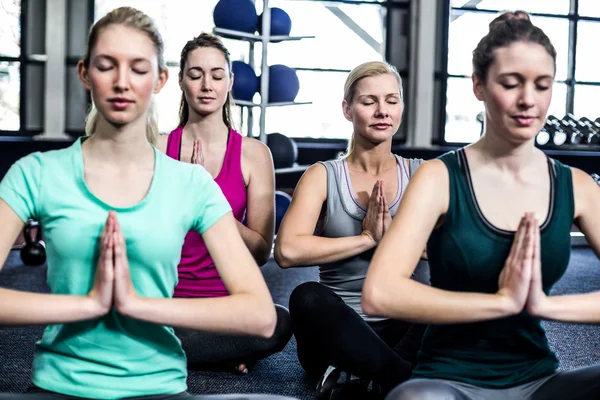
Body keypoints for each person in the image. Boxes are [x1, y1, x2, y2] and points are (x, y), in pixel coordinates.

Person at [0, 7, 295, 400]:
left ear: (158, 80)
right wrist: (87, 305)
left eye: (138, 68)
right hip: (59, 379)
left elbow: (260, 312)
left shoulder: (192, 183)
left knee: (279, 322)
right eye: (107, 66)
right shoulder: (34, 173)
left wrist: (136, 306)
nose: (122, 82)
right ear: (85, 73)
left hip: (160, 377)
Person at [362, 11, 600, 400]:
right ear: (479, 85)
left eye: (542, 85)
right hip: (450, 381)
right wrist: (500, 302)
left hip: (539, 381)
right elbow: (381, 292)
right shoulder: (440, 178)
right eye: (511, 83)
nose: (528, 100)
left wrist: (542, 305)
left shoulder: (576, 185)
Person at [274, 61, 428, 398]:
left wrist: (392, 238)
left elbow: (451, 250)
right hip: (335, 332)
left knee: (454, 293)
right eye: (368, 101)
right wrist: (366, 239)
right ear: (347, 109)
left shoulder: (423, 174)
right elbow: (286, 252)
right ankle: (402, 380)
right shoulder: (322, 176)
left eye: (391, 100)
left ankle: (365, 379)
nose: (381, 111)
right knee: (306, 297)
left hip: (403, 327)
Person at [156, 32, 292, 375]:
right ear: (181, 81)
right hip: (165, 302)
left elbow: (261, 251)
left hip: (227, 305)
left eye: (217, 75)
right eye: (196, 74)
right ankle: (211, 352)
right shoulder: (156, 148)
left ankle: (170, 350)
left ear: (230, 82)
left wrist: (207, 197)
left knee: (278, 323)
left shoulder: (254, 154)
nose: (206, 85)